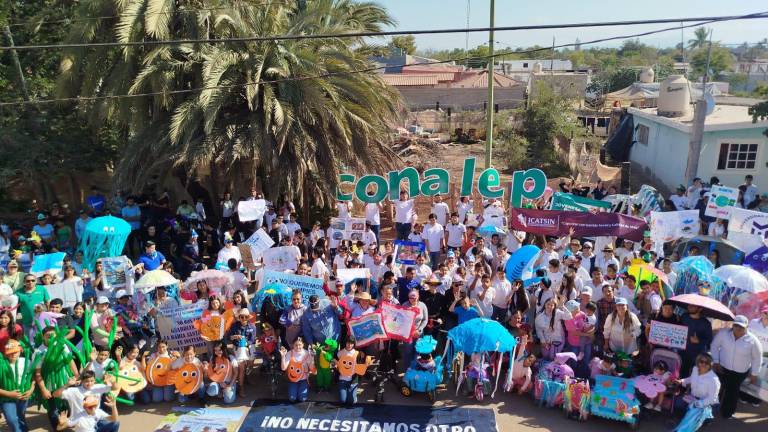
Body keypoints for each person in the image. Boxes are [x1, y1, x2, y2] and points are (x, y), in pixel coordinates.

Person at [710, 315, 763, 419]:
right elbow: (714, 345)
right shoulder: (723, 334)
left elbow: (757, 358)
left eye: (742, 327)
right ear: (732, 325)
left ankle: (727, 413)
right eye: (736, 325)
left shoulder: (753, 340)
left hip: (739, 372)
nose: (738, 329)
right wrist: (716, 361)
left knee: (732, 392)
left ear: (747, 327)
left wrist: (754, 374)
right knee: (718, 387)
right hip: (722, 367)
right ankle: (712, 408)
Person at [672, 353, 720, 432]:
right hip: (693, 397)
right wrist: (681, 381)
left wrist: (697, 404)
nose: (704, 364)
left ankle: (705, 420)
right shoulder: (695, 369)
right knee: (678, 403)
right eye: (701, 361)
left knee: (693, 413)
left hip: (709, 404)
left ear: (710, 364)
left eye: (707, 362)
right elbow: (691, 378)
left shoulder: (714, 380)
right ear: (698, 362)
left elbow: (712, 399)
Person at [0, 339, 35, 432]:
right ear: (6, 353)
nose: (13, 354)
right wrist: (9, 394)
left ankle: (23, 429)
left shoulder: (26, 361)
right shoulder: (2, 364)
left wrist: (31, 390)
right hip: (6, 398)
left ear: (20, 350)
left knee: (20, 415)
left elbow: (33, 379)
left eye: (15, 352)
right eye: (10, 352)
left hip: (24, 396)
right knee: (12, 419)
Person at [680, 305, 713, 378]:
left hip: (697, 356)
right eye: (689, 305)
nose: (689, 307)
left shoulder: (706, 323)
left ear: (700, 309)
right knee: (682, 375)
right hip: (682, 353)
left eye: (693, 306)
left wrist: (699, 341)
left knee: (695, 376)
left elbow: (709, 340)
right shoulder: (683, 317)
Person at [280, 338, 314, 403]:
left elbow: (312, 368)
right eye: (296, 345)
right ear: (293, 345)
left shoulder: (307, 354)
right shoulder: (290, 353)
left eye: (300, 345)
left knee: (302, 399)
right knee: (292, 399)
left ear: (303, 345)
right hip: (293, 380)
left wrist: (312, 358)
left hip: (303, 380)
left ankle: (304, 387)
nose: (298, 347)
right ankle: (294, 388)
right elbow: (283, 368)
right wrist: (283, 356)